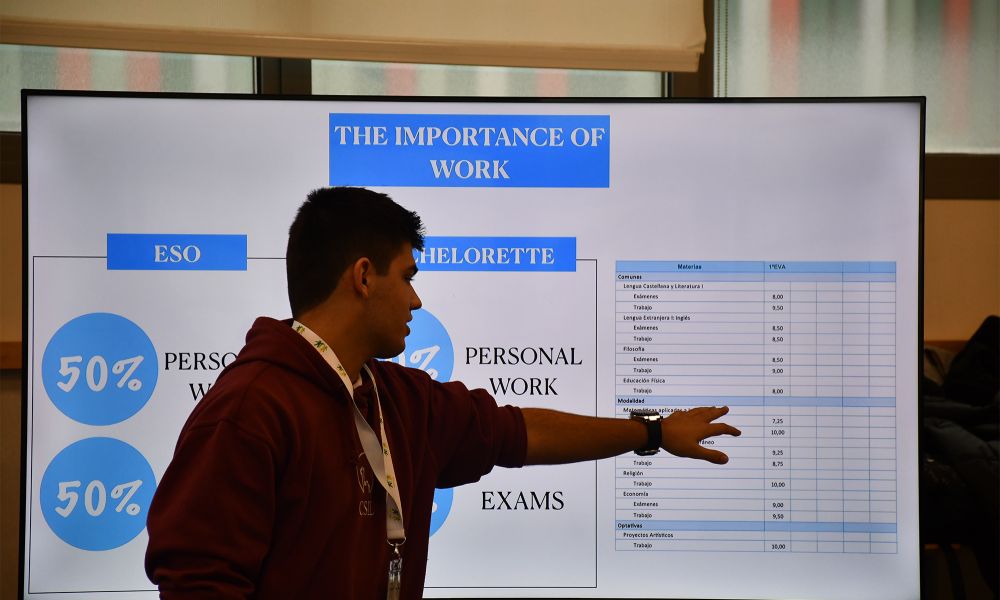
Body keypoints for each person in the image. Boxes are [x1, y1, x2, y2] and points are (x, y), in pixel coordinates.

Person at [144, 187, 741, 599]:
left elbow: (520, 433)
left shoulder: (399, 399)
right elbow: (199, 582)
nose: (416, 300)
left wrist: (652, 433)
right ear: (363, 276)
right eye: (407, 277)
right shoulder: (250, 409)